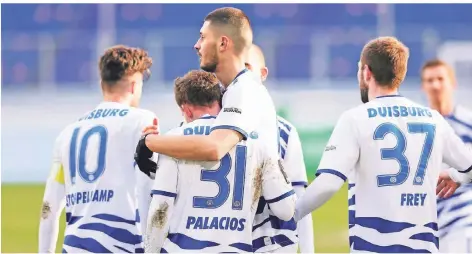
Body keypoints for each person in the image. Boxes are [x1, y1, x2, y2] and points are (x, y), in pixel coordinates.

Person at [293, 36, 472, 253]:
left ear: (366, 72)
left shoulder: (355, 119)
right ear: (401, 74)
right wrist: (456, 176)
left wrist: (290, 214)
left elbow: (329, 183)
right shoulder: (433, 119)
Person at [143, 70, 295, 252]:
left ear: (186, 109)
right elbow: (285, 209)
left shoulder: (172, 141)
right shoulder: (257, 141)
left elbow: (161, 208)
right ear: (221, 103)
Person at [38, 45, 156, 253]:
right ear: (133, 86)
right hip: (122, 246)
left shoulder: (67, 134)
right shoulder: (143, 121)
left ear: (102, 84)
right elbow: (149, 189)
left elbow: (49, 208)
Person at [245, 44, 315, 253]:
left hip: (276, 246)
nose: (240, 75)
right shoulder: (216, 130)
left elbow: (301, 200)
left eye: (247, 67)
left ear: (263, 73)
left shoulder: (284, 132)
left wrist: (309, 250)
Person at [421, 59, 472, 252]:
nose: (435, 85)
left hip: (463, 221)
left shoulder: (468, 122)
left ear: (452, 82)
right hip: (429, 223)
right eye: (429, 80)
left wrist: (457, 175)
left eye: (440, 79)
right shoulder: (418, 127)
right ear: (423, 86)